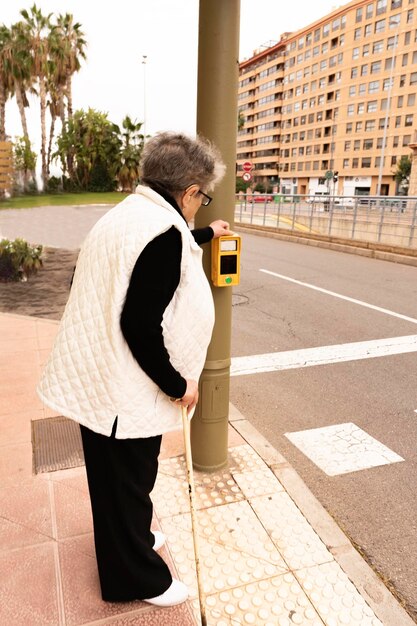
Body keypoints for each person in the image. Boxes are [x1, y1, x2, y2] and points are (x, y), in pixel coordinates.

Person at [37, 132, 232, 607]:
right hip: (122, 386)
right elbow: (139, 324)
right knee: (125, 484)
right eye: (202, 198)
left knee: (121, 480)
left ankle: (133, 541)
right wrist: (178, 384)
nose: (199, 207)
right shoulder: (162, 234)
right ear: (188, 191)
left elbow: (157, 256)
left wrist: (209, 233)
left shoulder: (130, 214)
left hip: (98, 377)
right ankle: (137, 578)